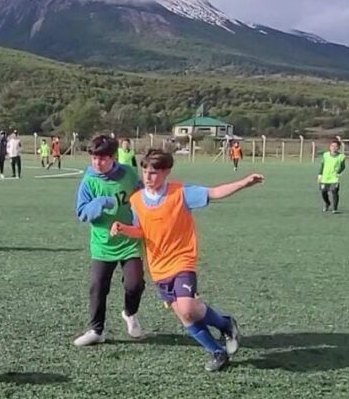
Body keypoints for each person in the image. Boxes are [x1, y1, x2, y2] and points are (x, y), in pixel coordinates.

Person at [111, 149, 263, 371]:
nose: (148, 177)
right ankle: (217, 352)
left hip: (182, 260)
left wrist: (244, 183)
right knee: (185, 316)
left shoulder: (180, 193)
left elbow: (215, 192)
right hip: (158, 267)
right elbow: (140, 231)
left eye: (153, 172)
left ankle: (225, 323)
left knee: (188, 307)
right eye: (145, 171)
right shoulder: (136, 200)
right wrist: (123, 228)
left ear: (166, 172)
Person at [73, 135, 145, 346]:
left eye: (103, 158)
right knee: (97, 286)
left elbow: (142, 195)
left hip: (129, 239)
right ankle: (96, 330)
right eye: (94, 158)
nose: (98, 163)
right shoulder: (89, 181)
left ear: (113, 157)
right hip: (103, 243)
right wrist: (101, 202)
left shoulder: (129, 173)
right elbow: (82, 213)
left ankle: (130, 313)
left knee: (135, 284)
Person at [317, 139, 346, 213]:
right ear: (330, 147)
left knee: (334, 191)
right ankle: (327, 203)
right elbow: (322, 165)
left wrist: (338, 172)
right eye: (332, 146)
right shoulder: (325, 155)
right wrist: (320, 174)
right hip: (325, 177)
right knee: (323, 192)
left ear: (338, 148)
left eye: (336, 146)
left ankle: (335, 208)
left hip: (334, 178)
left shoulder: (341, 156)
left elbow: (343, 166)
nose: (333, 147)